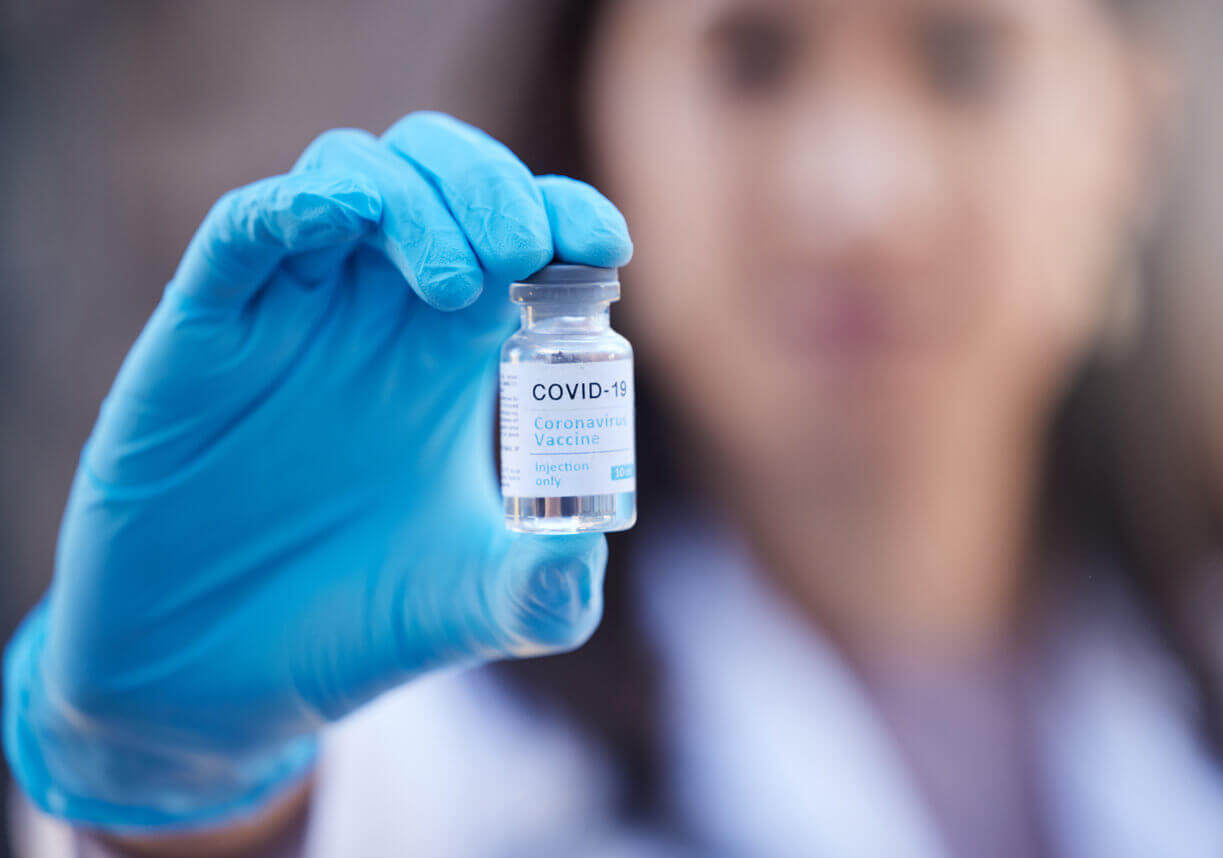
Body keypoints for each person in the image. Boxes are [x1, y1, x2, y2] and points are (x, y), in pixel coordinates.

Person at [6, 0, 1223, 855]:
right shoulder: (417, 744)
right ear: (597, 116)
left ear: (1137, 132)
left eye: (962, 56)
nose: (856, 190)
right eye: (748, 56)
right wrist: (182, 788)